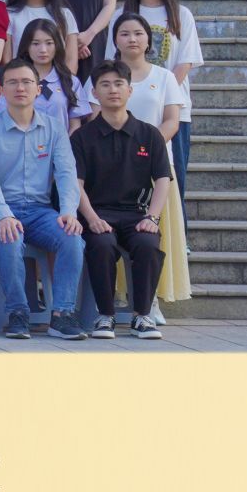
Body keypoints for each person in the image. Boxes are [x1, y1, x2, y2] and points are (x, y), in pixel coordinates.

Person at [0, 57, 88, 340]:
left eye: (27, 82)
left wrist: (69, 211)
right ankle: (18, 312)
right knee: (10, 237)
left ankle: (62, 315)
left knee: (72, 237)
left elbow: (66, 173)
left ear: (38, 89)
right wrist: (4, 215)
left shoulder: (54, 128)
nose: (20, 88)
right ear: (2, 90)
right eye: (12, 82)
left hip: (40, 211)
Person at [74, 59, 172, 339]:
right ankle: (105, 315)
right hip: (97, 213)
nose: (113, 90)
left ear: (130, 90)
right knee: (102, 244)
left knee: (148, 244)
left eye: (119, 84)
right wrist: (92, 219)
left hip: (137, 214)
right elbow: (76, 184)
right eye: (105, 85)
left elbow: (162, 179)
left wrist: (152, 218)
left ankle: (142, 316)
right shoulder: (82, 137)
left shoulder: (149, 134)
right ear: (95, 93)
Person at [111, 11, 189, 310]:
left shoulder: (164, 76)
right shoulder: (108, 76)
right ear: (115, 40)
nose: (132, 39)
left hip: (156, 167)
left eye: (138, 33)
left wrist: (145, 149)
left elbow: (172, 120)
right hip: (114, 167)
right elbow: (96, 118)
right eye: (124, 33)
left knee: (153, 235)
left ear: (148, 40)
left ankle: (150, 299)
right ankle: (118, 295)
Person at [123, 0, 202, 196]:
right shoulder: (121, 16)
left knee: (173, 183)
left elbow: (185, 62)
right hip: (129, 109)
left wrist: (161, 94)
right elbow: (115, 64)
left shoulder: (181, 14)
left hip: (173, 110)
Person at [4, 0, 82, 73]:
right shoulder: (9, 14)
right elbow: (7, 59)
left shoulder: (64, 14)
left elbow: (71, 60)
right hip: (21, 80)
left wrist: (64, 82)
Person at [16, 19, 91, 134]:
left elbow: (75, 126)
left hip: (61, 144)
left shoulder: (70, 81)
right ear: (27, 46)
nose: (43, 50)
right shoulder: (15, 81)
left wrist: (65, 145)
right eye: (36, 43)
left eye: (49, 43)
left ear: (57, 46)